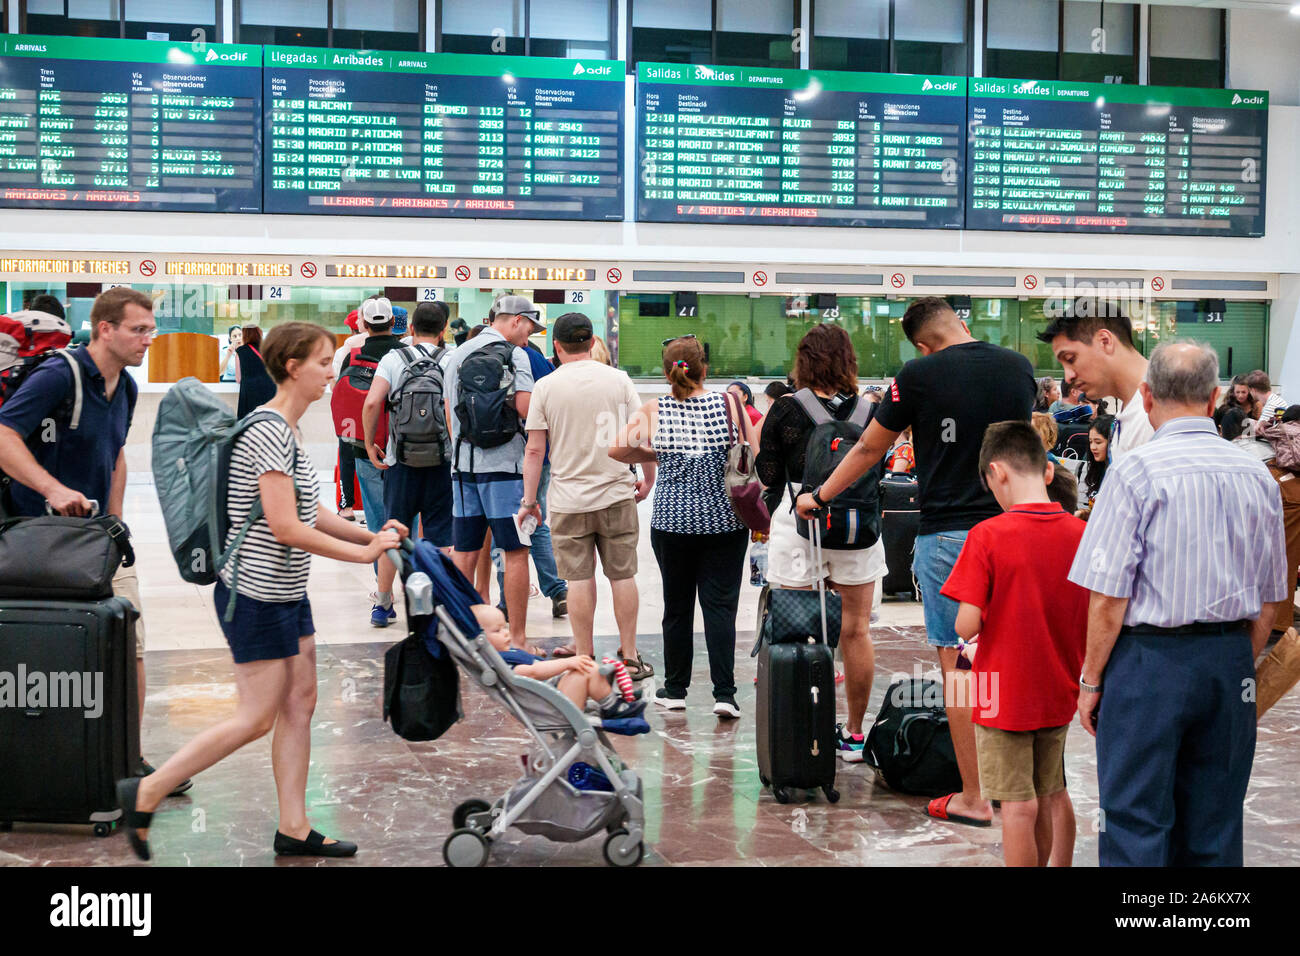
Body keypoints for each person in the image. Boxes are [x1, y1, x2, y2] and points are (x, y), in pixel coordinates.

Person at [114, 322, 406, 862]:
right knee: (256, 715)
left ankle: (294, 826)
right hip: (256, 594)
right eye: (323, 362)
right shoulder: (270, 430)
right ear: (293, 367)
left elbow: (311, 511)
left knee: (300, 702)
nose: (332, 372)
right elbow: (284, 526)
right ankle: (149, 789)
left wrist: (374, 535)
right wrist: (364, 555)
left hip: (286, 592)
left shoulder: (286, 429)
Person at [795, 296, 1036, 827]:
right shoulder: (1018, 367)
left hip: (951, 538)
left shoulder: (919, 374)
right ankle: (1013, 786)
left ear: (923, 344)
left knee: (961, 669)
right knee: (1011, 660)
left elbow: (866, 451)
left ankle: (974, 796)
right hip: (1016, 531)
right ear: (961, 322)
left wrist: (821, 496)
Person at [1070, 341, 1288, 867]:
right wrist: (1239, 658)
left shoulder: (1133, 472)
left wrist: (1092, 680)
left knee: (1135, 818)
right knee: (1215, 819)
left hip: (1147, 665)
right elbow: (1269, 600)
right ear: (1214, 398)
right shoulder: (1257, 476)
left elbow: (1108, 598)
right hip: (1228, 662)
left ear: (1147, 396)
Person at [0, 286, 192, 796]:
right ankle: (42, 758)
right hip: (35, 538)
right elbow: (3, 434)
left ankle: (129, 757)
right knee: (44, 649)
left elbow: (119, 452)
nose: (148, 339)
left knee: (129, 642)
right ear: (104, 328)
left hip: (94, 542)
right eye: (138, 329)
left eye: (151, 329)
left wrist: (114, 520)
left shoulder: (124, 387)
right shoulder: (58, 374)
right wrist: (52, 487)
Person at [942, 421, 1087, 866]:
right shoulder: (1081, 535)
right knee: (1049, 793)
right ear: (1046, 471)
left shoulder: (988, 535)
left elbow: (965, 627)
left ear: (997, 472)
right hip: (1059, 688)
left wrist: (973, 617)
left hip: (1000, 695)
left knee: (1017, 807)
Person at [755, 323, 887, 760]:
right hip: (857, 527)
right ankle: (853, 734)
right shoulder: (870, 410)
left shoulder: (788, 409)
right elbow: (879, 466)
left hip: (800, 522)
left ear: (803, 360)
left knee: (794, 634)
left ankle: (796, 731)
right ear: (849, 360)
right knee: (856, 630)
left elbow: (768, 473)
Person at [611, 335, 758, 719]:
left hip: (672, 522)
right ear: (705, 367)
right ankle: (725, 694)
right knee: (721, 608)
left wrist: (658, 453)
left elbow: (617, 449)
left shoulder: (654, 408)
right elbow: (753, 451)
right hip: (724, 521)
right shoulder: (730, 403)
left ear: (666, 371)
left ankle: (675, 689)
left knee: (677, 608)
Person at [518, 313, 654, 680]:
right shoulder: (619, 380)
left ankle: (584, 654)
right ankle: (629, 655)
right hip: (616, 493)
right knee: (623, 576)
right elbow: (641, 434)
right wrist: (647, 478)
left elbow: (534, 450)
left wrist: (529, 502)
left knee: (578, 579)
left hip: (567, 499)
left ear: (556, 346)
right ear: (593, 342)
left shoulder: (546, 386)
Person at [442, 295, 541, 651]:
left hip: (464, 468)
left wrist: (459, 453)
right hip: (506, 467)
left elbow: (448, 410)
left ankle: (461, 639)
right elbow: (527, 408)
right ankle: (517, 640)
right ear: (515, 320)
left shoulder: (457, 355)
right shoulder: (516, 356)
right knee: (515, 551)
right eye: (529, 326)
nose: (530, 335)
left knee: (465, 551)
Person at [361, 301, 454, 627]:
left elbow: (373, 402)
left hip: (400, 461)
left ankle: (383, 604)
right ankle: (439, 605)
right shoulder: (451, 358)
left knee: (393, 533)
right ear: (443, 331)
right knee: (441, 537)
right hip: (442, 462)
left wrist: (371, 445)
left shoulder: (393, 358)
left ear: (411, 329)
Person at [491, 326, 568, 622]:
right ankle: (558, 591)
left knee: (505, 528)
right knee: (536, 521)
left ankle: (508, 600)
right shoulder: (539, 359)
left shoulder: (503, 358)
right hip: (543, 453)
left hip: (508, 455)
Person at [471, 605, 645, 720]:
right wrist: (568, 663)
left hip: (552, 697)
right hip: (548, 707)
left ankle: (613, 701)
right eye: (497, 630)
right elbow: (533, 671)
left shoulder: (506, 653)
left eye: (505, 627)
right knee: (584, 670)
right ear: (479, 638)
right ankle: (613, 707)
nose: (506, 633)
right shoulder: (500, 663)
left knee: (587, 668)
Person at [1037, 300, 1152, 460]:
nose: (1068, 376)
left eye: (1071, 359)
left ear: (1105, 341)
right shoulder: (1128, 411)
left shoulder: (1159, 410)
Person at [235, 325, 275, 419]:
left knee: (249, 424)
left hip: (250, 393)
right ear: (259, 334)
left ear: (245, 335)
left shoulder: (240, 351)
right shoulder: (268, 350)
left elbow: (238, 379)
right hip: (269, 391)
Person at [1077, 414, 1113, 518]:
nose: (1093, 447)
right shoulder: (1098, 469)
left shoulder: (1116, 474)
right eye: (1090, 442)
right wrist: (1083, 513)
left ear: (1112, 442)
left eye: (1098, 442)